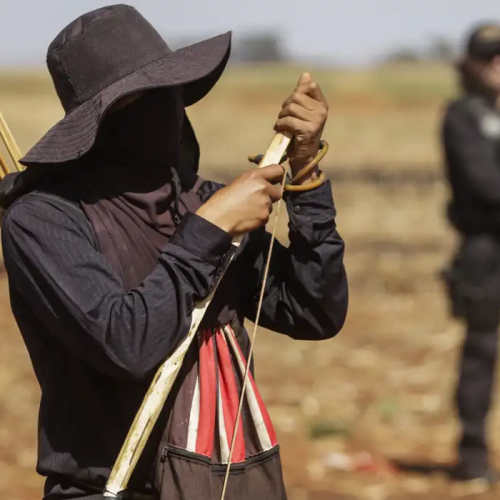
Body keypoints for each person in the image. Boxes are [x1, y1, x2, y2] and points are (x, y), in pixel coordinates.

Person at [0, 5, 348, 500]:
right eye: (139, 100)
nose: (162, 111)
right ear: (98, 123)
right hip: (107, 488)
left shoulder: (199, 200)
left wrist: (306, 177)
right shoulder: (44, 221)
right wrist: (207, 232)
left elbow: (315, 311)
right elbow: (128, 345)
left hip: (220, 480)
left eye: (169, 92)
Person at [441, 22, 500, 484]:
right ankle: (473, 452)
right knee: (482, 348)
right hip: (484, 250)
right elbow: (485, 185)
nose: (498, 65)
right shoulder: (461, 114)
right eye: (489, 57)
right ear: (471, 65)